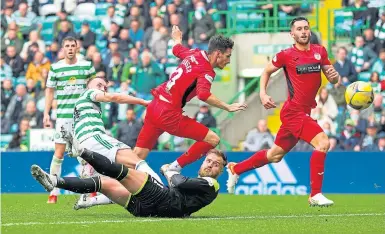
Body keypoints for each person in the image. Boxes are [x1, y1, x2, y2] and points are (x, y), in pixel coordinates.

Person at [226, 17, 340, 207]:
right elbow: (266, 72)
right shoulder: (286, 55)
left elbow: (332, 76)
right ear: (292, 34)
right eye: (299, 29)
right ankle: (315, 194)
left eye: (306, 28)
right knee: (323, 143)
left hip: (304, 112)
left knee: (275, 155)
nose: (303, 31)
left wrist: (335, 78)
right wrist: (262, 94)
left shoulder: (320, 52)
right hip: (293, 112)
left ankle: (236, 168)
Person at [134, 25, 247, 174]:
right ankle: (173, 168)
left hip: (155, 105)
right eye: (228, 56)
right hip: (168, 113)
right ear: (218, 54)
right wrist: (227, 106)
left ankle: (102, 188)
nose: (228, 61)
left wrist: (177, 39)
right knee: (212, 139)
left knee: (136, 156)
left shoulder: (195, 53)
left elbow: (177, 50)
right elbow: (203, 95)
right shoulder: (206, 70)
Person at [31, 148, 226, 217]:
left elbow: (179, 182)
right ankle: (53, 181)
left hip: (164, 200)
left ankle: (80, 151)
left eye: (216, 164)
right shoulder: (204, 184)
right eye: (208, 161)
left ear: (221, 171)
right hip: (149, 211)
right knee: (102, 183)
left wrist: (168, 170)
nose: (210, 166)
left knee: (123, 172)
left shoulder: (211, 183)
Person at [43, 36, 96, 204]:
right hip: (63, 118)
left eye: (73, 45)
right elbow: (49, 91)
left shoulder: (86, 66)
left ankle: (90, 190)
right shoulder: (56, 68)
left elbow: (94, 86)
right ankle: (53, 192)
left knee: (84, 154)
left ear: (77, 48)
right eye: (67, 46)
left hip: (82, 117)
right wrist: (46, 113)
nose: (70, 48)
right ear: (63, 49)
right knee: (59, 154)